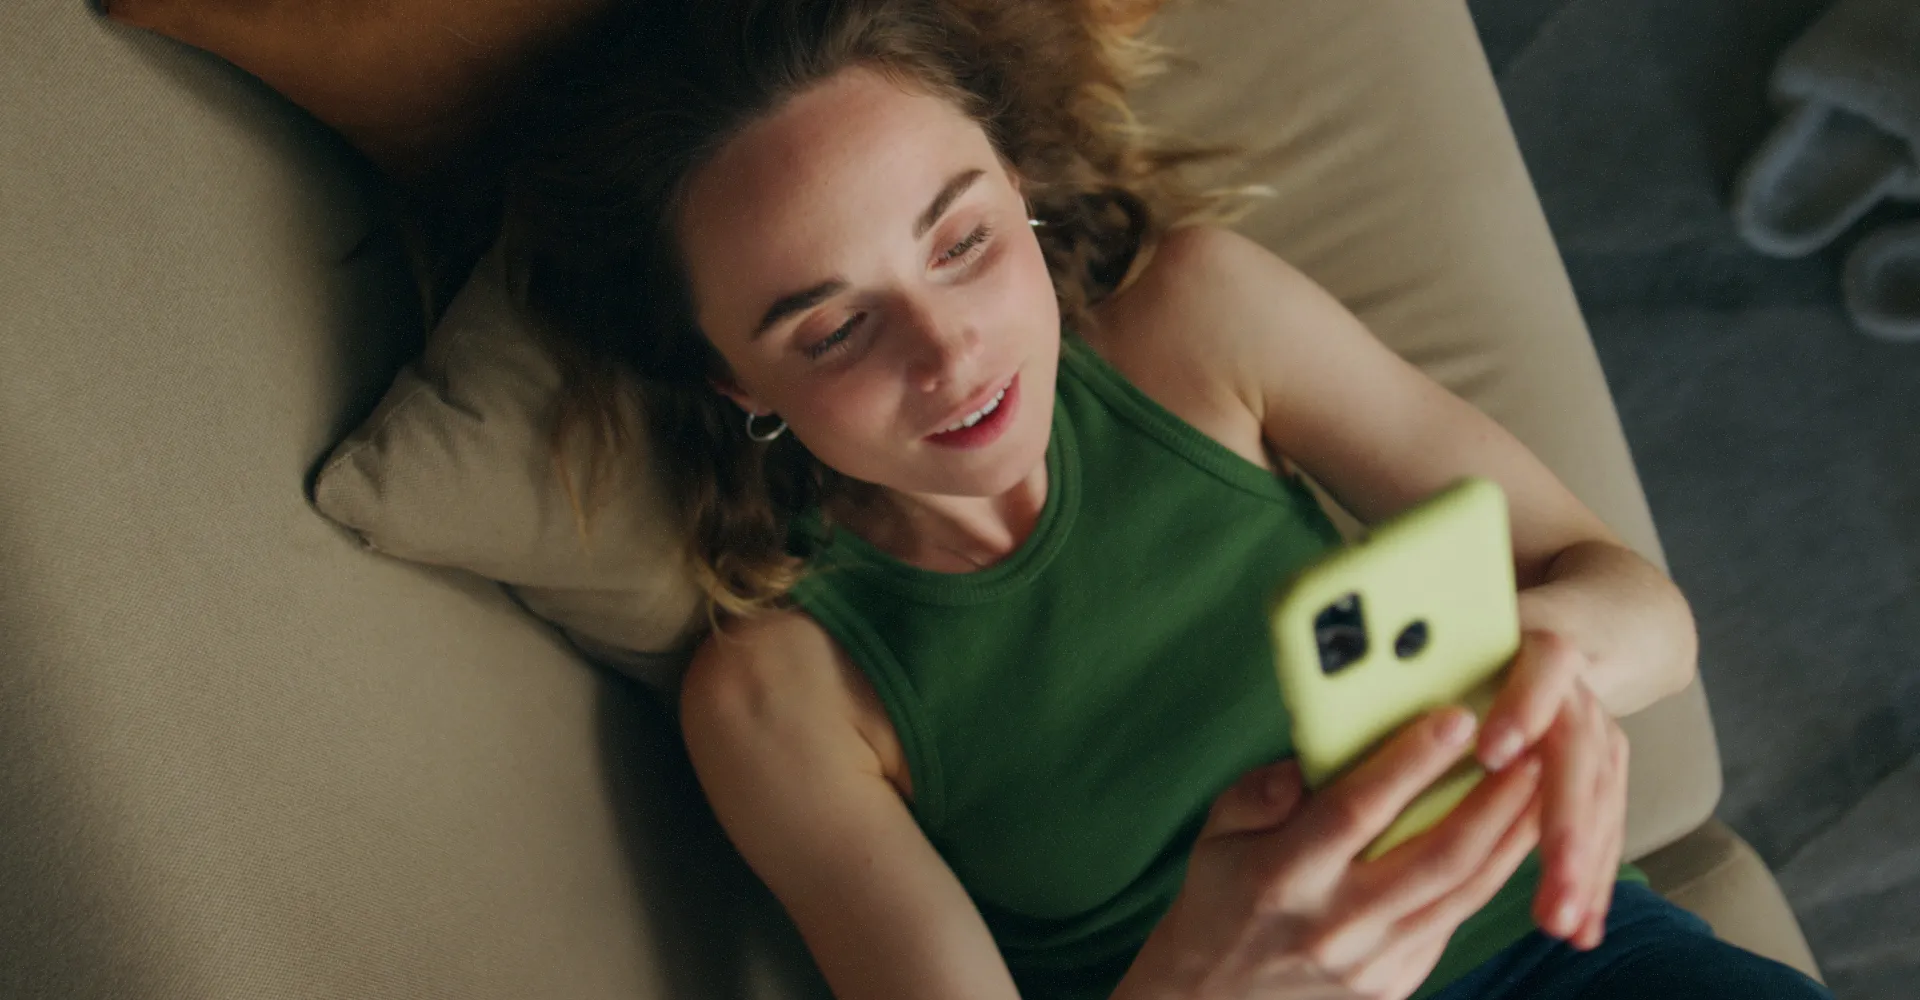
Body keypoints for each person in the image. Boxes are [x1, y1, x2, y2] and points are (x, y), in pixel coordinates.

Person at [500, 1, 1835, 998]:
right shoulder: (780, 697)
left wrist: (1555, 659)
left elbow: (1637, 607)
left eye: (962, 241)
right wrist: (1209, 967)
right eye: (834, 329)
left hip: (1583, 960)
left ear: (1018, 194)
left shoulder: (1204, 324)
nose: (949, 352)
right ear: (735, 385)